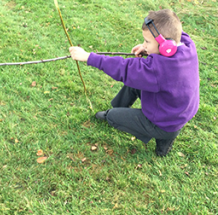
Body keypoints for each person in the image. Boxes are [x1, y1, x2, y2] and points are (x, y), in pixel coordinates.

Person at [68, 9, 199, 157]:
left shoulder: (158, 69)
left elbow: (124, 68)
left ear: (166, 47)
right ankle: (159, 132)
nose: (144, 44)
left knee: (113, 117)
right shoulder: (187, 45)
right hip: (175, 112)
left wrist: (88, 57)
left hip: (163, 121)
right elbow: (172, 32)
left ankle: (158, 134)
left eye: (147, 41)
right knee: (134, 83)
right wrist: (147, 48)